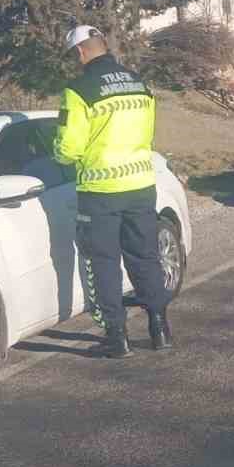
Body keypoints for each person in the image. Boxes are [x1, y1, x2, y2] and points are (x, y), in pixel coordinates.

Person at [55, 25, 172, 359]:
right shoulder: (139, 84)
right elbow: (148, 133)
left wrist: (59, 154)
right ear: (103, 46)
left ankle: (117, 337)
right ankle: (160, 327)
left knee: (103, 262)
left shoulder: (78, 90)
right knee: (145, 256)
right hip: (140, 185)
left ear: (80, 52)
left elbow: (69, 147)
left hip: (100, 190)